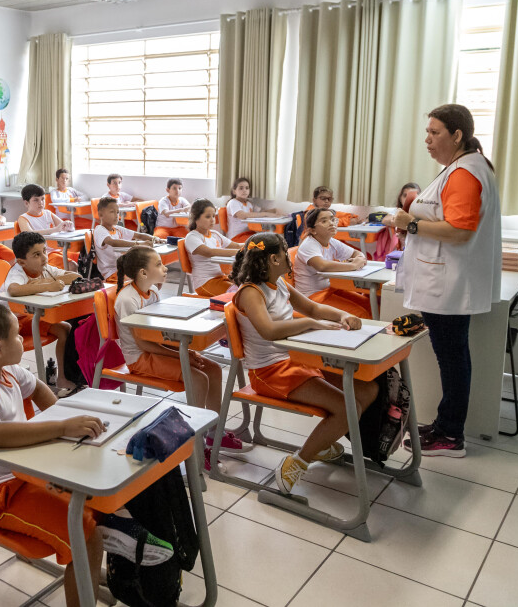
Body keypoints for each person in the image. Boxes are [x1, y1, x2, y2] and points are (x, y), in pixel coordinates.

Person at [0, 301, 174, 607]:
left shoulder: (7, 368)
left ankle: (95, 556)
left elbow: (39, 389)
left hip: (24, 473)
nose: (22, 339)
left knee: (98, 503)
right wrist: (60, 427)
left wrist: (66, 427)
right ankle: (90, 553)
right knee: (85, 534)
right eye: (17, 335)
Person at [384, 104, 501, 458]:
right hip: (446, 281)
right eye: (428, 132)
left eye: (435, 133)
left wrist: (410, 223)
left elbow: (459, 230)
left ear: (457, 135)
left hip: (448, 284)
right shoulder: (461, 168)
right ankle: (445, 424)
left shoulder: (465, 172)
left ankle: (451, 434)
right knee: (452, 357)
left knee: (452, 359)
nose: (427, 139)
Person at [230, 232, 376, 493]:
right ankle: (296, 463)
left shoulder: (280, 283)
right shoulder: (251, 292)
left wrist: (344, 315)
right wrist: (310, 324)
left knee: (367, 388)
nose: (290, 256)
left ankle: (323, 440)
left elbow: (314, 308)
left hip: (295, 359)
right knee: (347, 407)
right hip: (269, 372)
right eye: (286, 252)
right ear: (274, 259)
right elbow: (269, 331)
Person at [114, 246, 246, 461]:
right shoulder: (128, 299)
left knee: (213, 370)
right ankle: (196, 443)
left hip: (157, 350)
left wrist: (185, 352)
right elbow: (144, 345)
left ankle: (214, 433)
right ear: (143, 273)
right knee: (198, 378)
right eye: (158, 264)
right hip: (139, 358)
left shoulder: (153, 292)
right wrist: (180, 355)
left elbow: (161, 334)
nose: (164, 268)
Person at [0, 232, 79, 384]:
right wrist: (48, 286)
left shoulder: (45, 268)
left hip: (28, 317)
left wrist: (46, 282)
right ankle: (14, 381)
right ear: (22, 262)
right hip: (5, 323)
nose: (44, 258)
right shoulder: (17, 272)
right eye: (36, 254)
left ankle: (62, 378)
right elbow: (14, 290)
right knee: (15, 342)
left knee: (65, 329)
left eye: (44, 251)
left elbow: (75, 276)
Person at [293, 207, 372, 318]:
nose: (331, 223)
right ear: (312, 230)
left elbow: (356, 253)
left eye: (332, 219)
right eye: (324, 221)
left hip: (329, 290)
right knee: (360, 314)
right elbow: (322, 266)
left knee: (369, 305)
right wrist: (353, 265)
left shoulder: (331, 241)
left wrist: (359, 258)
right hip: (311, 298)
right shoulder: (309, 245)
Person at [183, 199, 242, 297]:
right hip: (205, 283)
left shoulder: (215, 234)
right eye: (207, 216)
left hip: (220, 278)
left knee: (247, 287)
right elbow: (209, 252)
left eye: (213, 216)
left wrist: (253, 244)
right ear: (195, 218)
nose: (212, 220)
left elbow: (236, 245)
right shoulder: (192, 237)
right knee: (240, 294)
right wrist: (240, 252)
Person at [92, 197, 155, 282]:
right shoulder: (99, 229)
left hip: (123, 268)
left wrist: (155, 238)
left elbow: (138, 235)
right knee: (143, 280)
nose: (116, 215)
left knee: (153, 275)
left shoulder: (117, 228)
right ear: (100, 215)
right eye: (112, 212)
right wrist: (139, 244)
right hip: (111, 273)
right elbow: (113, 242)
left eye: (117, 212)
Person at [16, 184, 77, 269]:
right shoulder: (23, 218)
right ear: (26, 203)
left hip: (56, 250)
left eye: (42, 199)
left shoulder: (48, 213)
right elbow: (29, 234)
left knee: (81, 258)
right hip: (42, 254)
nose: (40, 203)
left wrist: (68, 225)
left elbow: (63, 226)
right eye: (36, 200)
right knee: (72, 265)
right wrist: (55, 229)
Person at [226, 177, 278, 243]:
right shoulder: (233, 202)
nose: (244, 190)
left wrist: (275, 210)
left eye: (247, 188)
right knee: (264, 242)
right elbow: (242, 215)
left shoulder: (249, 203)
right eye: (241, 188)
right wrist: (265, 214)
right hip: (237, 237)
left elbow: (261, 211)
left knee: (268, 239)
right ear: (234, 191)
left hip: (249, 233)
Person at [394, 182, 421, 250]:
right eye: (405, 195)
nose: (408, 199)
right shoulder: (398, 213)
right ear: (400, 198)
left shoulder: (422, 216)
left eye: (413, 195)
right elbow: (387, 219)